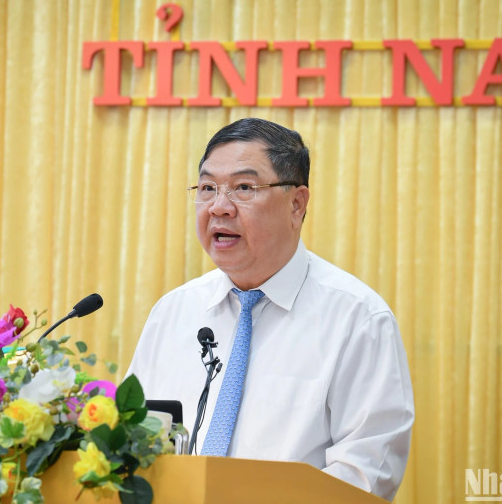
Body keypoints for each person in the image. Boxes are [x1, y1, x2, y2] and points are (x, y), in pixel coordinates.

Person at [126, 118, 414, 501]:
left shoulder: (358, 319)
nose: (219, 207)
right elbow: (130, 439)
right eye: (208, 188)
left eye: (244, 188)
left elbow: (366, 474)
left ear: (297, 204)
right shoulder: (173, 312)